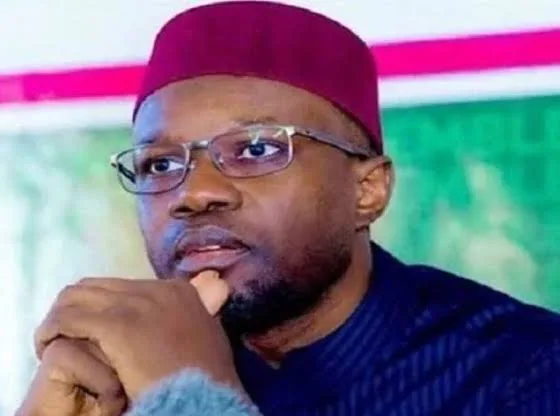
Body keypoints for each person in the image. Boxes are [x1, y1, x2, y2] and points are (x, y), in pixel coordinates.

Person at [18, 2, 560, 415]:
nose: (193, 193)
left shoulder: (528, 372)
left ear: (367, 190)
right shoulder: (116, 376)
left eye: (256, 150)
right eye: (159, 164)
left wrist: (188, 397)